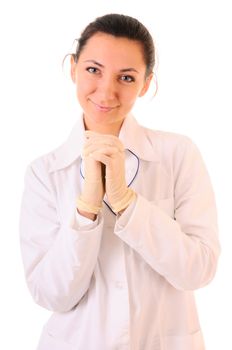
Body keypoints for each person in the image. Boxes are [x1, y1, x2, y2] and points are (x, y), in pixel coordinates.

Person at [19, 13, 220, 350]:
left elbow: (198, 270)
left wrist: (127, 203)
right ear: (73, 68)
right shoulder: (45, 173)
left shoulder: (177, 154)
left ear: (145, 84)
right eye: (93, 70)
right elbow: (51, 294)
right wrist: (86, 208)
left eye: (126, 78)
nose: (106, 91)